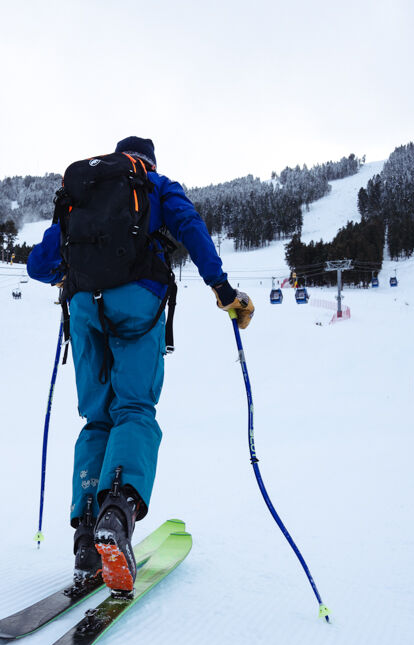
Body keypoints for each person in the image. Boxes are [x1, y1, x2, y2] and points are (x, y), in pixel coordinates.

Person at [27, 135, 252, 595]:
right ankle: (118, 513)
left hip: (83, 308)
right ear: (148, 160)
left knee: (97, 418)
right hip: (137, 301)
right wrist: (223, 291)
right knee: (134, 410)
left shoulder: (84, 193)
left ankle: (87, 541)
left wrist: (69, 276)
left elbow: (38, 264)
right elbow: (190, 228)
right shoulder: (155, 184)